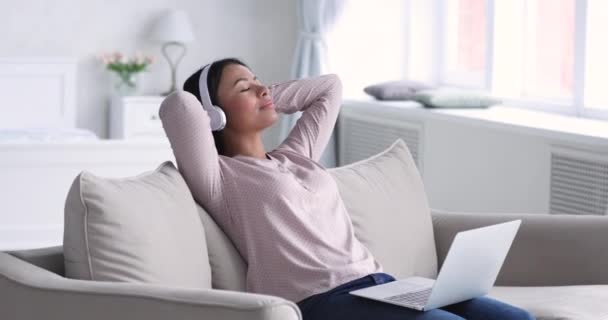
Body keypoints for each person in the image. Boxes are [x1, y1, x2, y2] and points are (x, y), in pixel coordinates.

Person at [159, 57, 535, 320]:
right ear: (212, 114)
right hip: (322, 302)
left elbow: (329, 88)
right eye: (245, 86)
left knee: (516, 317)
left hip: (384, 285)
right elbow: (177, 107)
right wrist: (214, 110)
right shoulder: (221, 178)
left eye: (261, 80)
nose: (261, 88)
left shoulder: (296, 155)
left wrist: (262, 92)